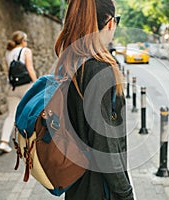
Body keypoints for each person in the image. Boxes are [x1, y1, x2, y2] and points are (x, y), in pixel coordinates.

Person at [54, 0, 134, 199]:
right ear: (109, 22)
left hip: (76, 184)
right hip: (99, 189)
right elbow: (104, 144)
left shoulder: (70, 60)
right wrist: (125, 192)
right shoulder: (99, 69)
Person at [0, 31, 37, 153]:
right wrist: (37, 84)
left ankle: (4, 142)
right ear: (23, 41)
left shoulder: (8, 52)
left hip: (12, 87)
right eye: (26, 40)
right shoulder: (26, 51)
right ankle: (30, 143)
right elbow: (30, 68)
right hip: (26, 86)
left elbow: (8, 71)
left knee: (11, 115)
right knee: (31, 112)